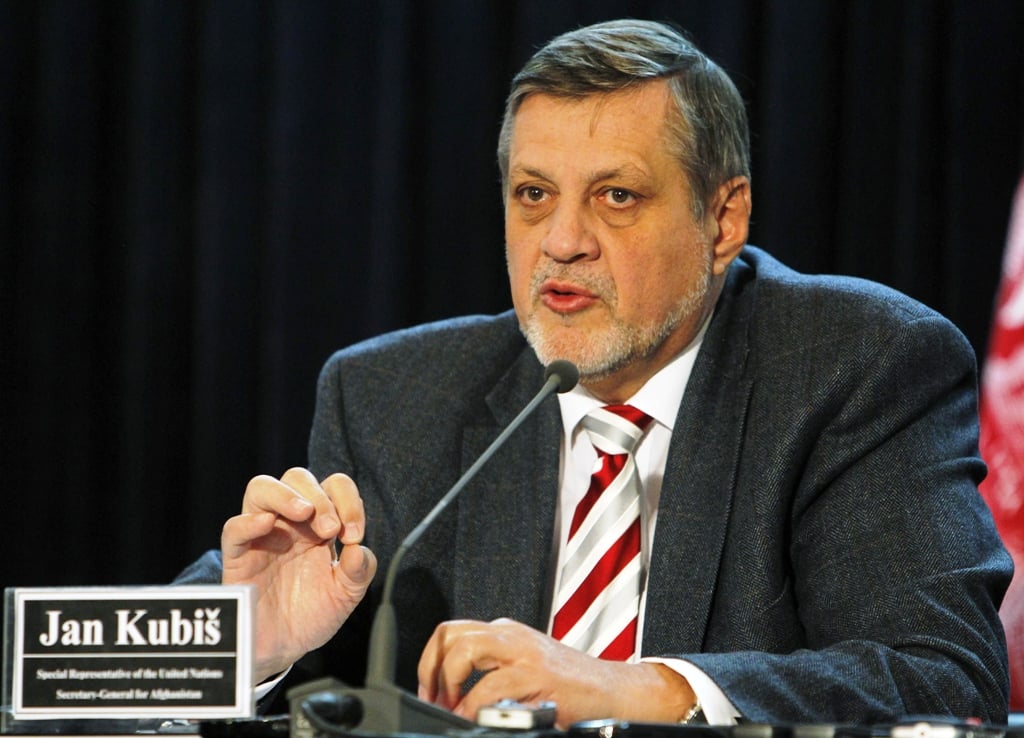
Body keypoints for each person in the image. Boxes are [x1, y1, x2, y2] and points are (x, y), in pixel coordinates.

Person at [177, 19, 1012, 726]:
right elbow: (115, 667)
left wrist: (633, 689)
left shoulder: (857, 365)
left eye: (616, 196)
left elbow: (942, 677)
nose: (562, 240)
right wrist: (250, 642)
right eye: (533, 194)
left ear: (723, 220)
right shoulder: (393, 396)